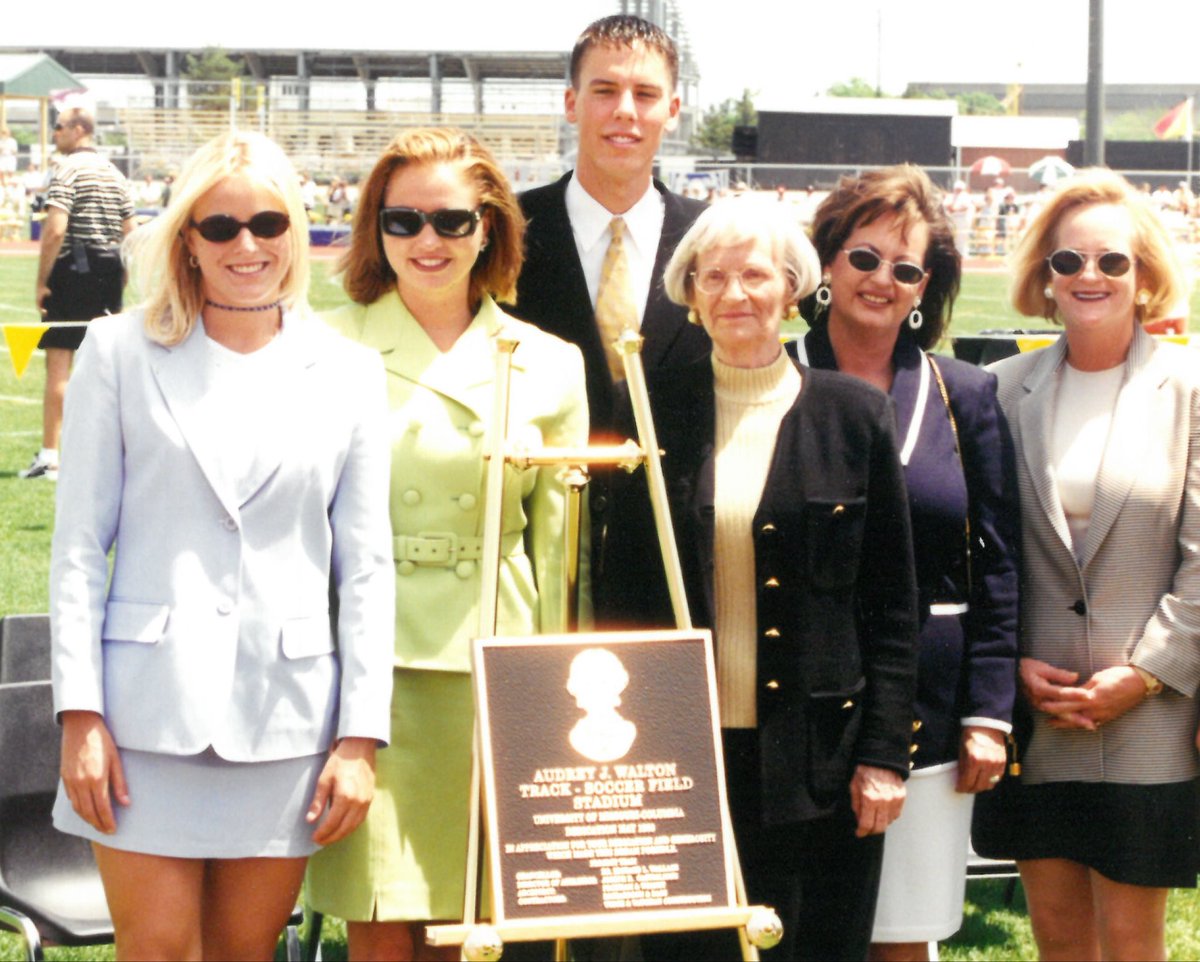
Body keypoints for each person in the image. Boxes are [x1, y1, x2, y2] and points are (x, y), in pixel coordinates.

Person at [49, 130, 395, 960]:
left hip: (285, 722)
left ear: (295, 233)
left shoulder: (349, 372)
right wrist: (80, 714)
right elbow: (78, 549)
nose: (248, 245)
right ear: (187, 241)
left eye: (268, 224)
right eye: (221, 227)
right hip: (140, 721)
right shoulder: (117, 353)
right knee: (160, 950)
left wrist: (360, 736)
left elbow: (366, 570)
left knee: (245, 951)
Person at [597, 197, 920, 961]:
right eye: (712, 277)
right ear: (690, 295)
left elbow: (891, 604)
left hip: (820, 762)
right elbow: (618, 594)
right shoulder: (649, 409)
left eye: (754, 275)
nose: (733, 294)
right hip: (680, 755)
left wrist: (883, 757)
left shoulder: (855, 415)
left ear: (792, 288)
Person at [305, 127, 589, 962]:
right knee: (379, 917)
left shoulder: (551, 363)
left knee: (471, 923)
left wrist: (564, 684)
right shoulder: (322, 345)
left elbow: (560, 551)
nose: (426, 240)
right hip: (363, 668)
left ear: (489, 227)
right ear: (375, 228)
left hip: (496, 663)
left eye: (451, 221)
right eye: (403, 221)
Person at [973, 168, 1200, 961]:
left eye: (1113, 261)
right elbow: (980, 552)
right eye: (1069, 261)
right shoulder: (998, 391)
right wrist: (1009, 667)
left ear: (1145, 274)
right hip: (1040, 715)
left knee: (1133, 944)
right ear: (1045, 275)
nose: (1089, 276)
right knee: (1059, 941)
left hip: (1152, 717)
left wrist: (1145, 676)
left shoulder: (1190, 389)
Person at [796, 165, 1019, 961]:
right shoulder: (776, 374)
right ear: (826, 263)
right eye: (863, 257)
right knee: (801, 925)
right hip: (799, 695)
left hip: (931, 697)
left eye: (905, 268)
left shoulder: (964, 393)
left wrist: (989, 712)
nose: (880, 279)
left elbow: (998, 564)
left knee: (901, 934)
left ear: (925, 287)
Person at [511, 13, 709, 439]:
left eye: (645, 94)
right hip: (541, 479)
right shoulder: (507, 229)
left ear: (673, 111)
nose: (624, 110)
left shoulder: (711, 235)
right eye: (604, 91)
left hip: (678, 483)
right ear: (571, 103)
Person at [22, 108, 136, 481]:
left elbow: (56, 229)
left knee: (59, 365)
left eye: (58, 127)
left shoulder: (67, 170)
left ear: (78, 129)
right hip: (110, 271)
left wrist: (42, 281)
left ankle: (49, 456)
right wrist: (121, 278)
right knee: (104, 369)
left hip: (74, 269)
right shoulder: (116, 174)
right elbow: (131, 233)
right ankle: (101, 456)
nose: (54, 134)